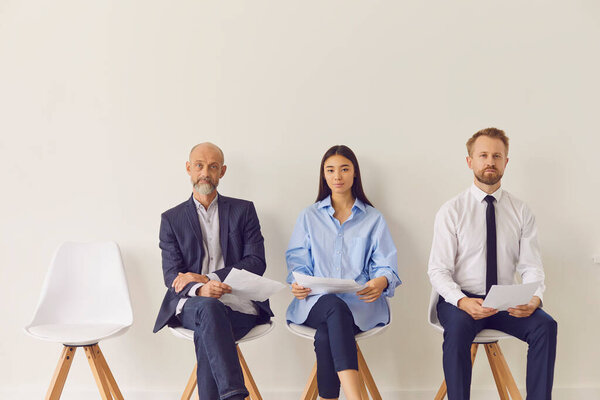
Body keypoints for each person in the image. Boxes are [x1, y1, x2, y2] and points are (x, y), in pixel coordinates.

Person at [428, 128, 558, 400]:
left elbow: (531, 265)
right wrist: (462, 301)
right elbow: (438, 270)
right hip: (461, 301)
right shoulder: (451, 211)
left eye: (497, 156)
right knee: (459, 330)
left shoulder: (521, 211)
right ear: (470, 161)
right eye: (483, 155)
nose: (490, 161)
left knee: (545, 326)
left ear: (506, 162)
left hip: (503, 301)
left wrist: (535, 298)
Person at [153, 142, 273, 400]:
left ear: (223, 171)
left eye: (212, 166)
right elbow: (171, 275)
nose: (205, 172)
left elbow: (256, 261)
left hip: (238, 304)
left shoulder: (244, 211)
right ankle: (234, 394)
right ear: (188, 168)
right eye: (199, 165)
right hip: (193, 305)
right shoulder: (171, 219)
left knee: (209, 330)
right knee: (209, 308)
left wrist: (210, 278)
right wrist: (201, 289)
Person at [286, 145, 401, 400]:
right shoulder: (309, 216)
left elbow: (385, 265)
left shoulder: (374, 219)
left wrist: (381, 281)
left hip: (359, 305)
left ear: (355, 174)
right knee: (333, 307)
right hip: (314, 303)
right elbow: (297, 262)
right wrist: (297, 282)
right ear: (324, 176)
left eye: (344, 169)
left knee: (328, 333)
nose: (337, 176)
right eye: (331, 170)